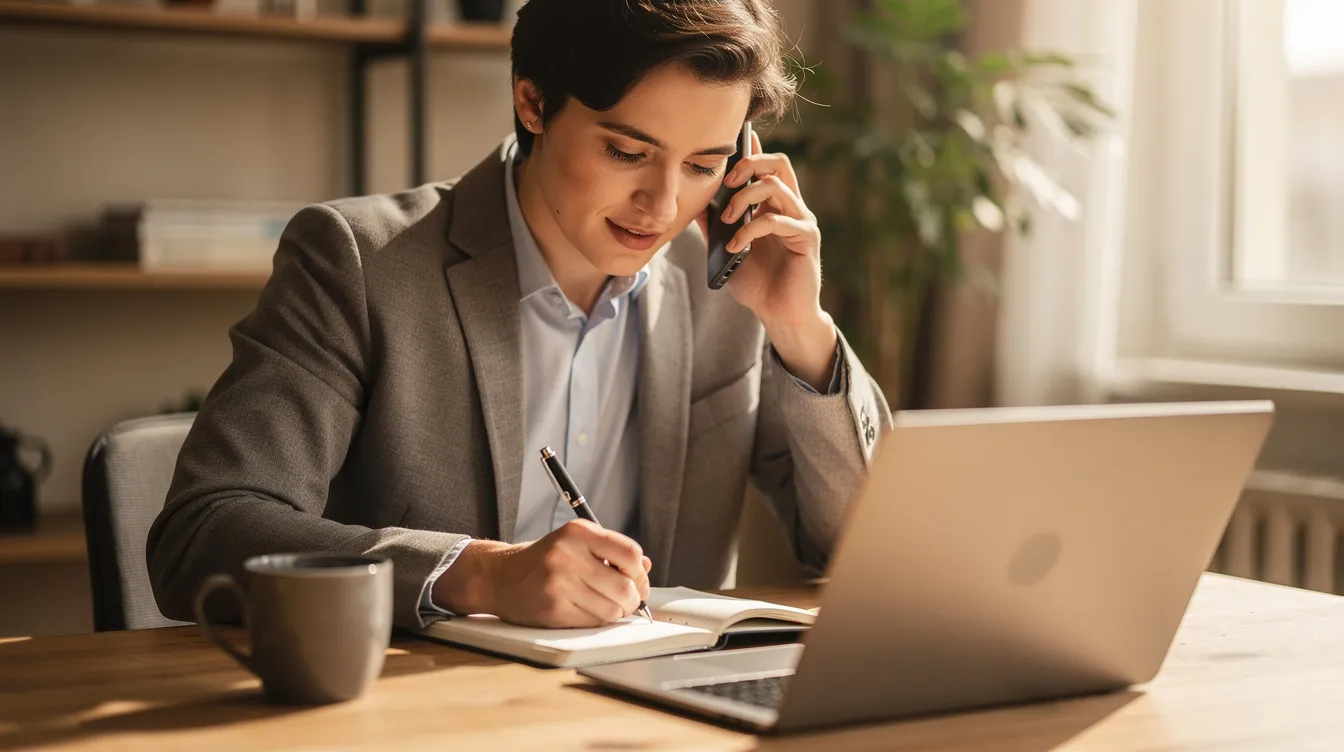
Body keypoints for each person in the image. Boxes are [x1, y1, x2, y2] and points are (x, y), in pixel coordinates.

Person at [146, 0, 892, 631]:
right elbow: (203, 532)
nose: (663, 207)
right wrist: (479, 575)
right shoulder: (360, 263)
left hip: (658, 719)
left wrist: (801, 329)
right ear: (532, 102)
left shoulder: (727, 288)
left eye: (702, 165)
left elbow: (866, 552)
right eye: (628, 152)